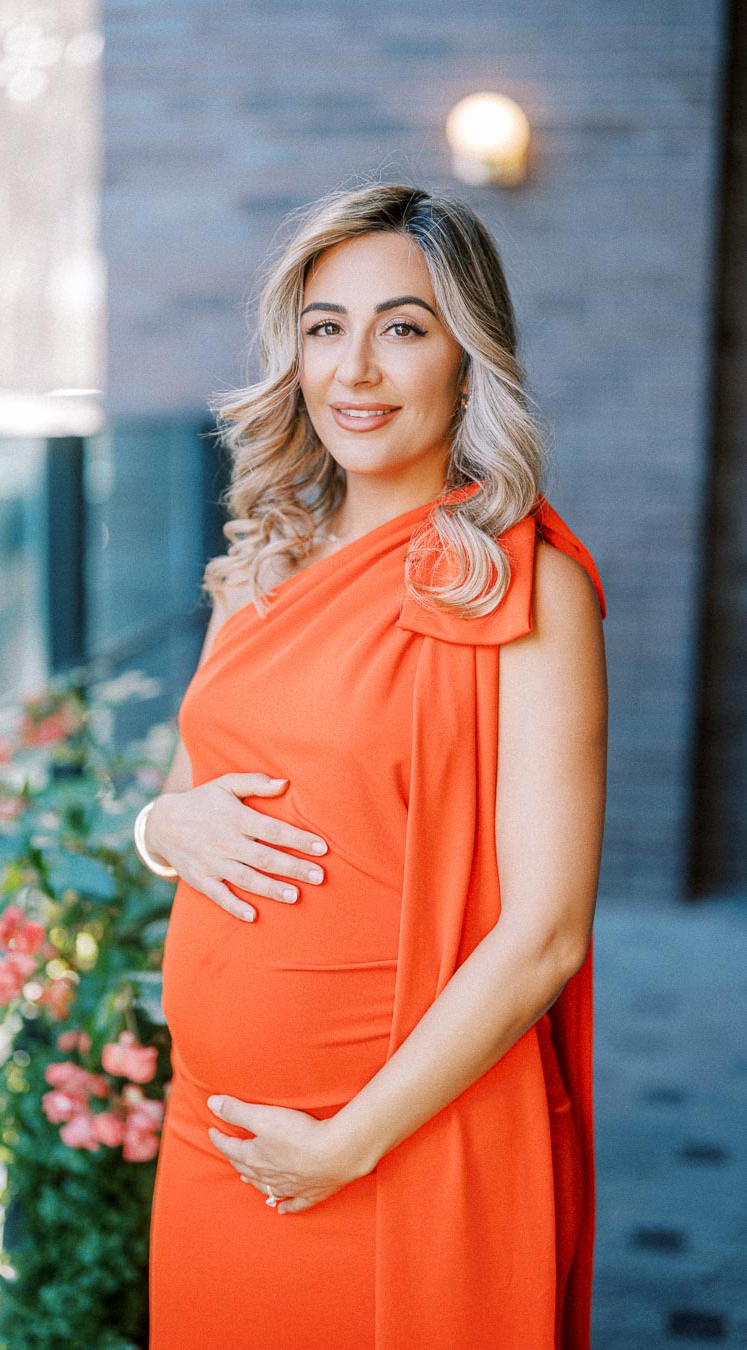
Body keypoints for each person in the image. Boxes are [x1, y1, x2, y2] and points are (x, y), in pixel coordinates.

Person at [135, 183, 608, 1350]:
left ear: (465, 355)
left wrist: (345, 1142)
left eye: (402, 327)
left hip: (400, 1146)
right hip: (216, 1138)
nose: (356, 370)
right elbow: (195, 796)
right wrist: (156, 828)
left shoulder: (524, 584)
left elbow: (546, 932)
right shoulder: (260, 561)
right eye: (324, 326)